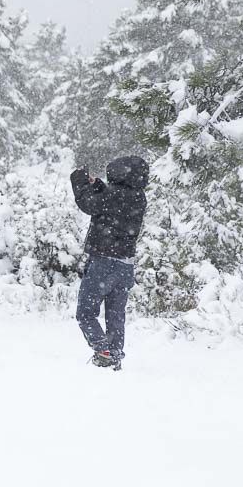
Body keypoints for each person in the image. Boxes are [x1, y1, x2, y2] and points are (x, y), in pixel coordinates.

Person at [70, 156, 149, 370]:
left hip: (104, 261)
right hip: (126, 264)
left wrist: (78, 182)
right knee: (116, 314)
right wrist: (97, 186)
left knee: (85, 313)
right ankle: (114, 354)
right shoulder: (139, 197)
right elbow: (110, 204)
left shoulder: (113, 195)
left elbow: (88, 205)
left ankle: (102, 348)